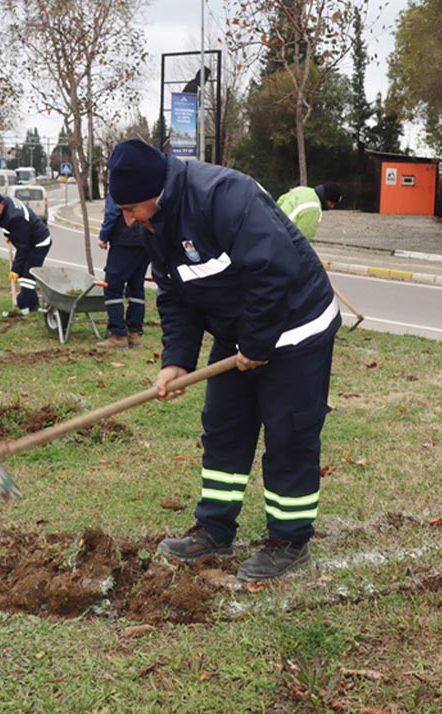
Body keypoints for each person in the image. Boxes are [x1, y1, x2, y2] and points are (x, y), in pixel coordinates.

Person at [106, 138, 340, 582]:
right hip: (241, 331)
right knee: (224, 427)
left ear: (157, 193)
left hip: (297, 324)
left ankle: (289, 542)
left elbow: (274, 269)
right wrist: (177, 360)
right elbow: (175, 295)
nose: (128, 219)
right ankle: (214, 528)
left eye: (132, 207)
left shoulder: (223, 195)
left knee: (289, 434)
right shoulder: (152, 226)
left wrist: (257, 344)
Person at [0, 188, 51, 316]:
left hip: (39, 242)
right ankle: (30, 305)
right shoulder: (5, 205)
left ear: (2, 203)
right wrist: (10, 235)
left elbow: (23, 248)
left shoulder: (16, 216)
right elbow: (8, 227)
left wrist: (15, 270)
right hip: (28, 239)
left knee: (28, 275)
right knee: (25, 274)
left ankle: (26, 305)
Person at [94, 193, 150, 349]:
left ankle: (118, 335)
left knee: (112, 288)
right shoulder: (145, 179)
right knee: (137, 287)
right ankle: (134, 333)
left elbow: (113, 212)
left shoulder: (120, 181)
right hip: (144, 240)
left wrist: (104, 236)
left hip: (124, 240)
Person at [275, 181, 342, 242]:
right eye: (332, 203)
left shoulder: (301, 189)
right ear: (327, 198)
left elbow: (280, 201)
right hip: (282, 238)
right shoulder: (314, 209)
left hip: (272, 226)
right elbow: (303, 237)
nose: (332, 207)